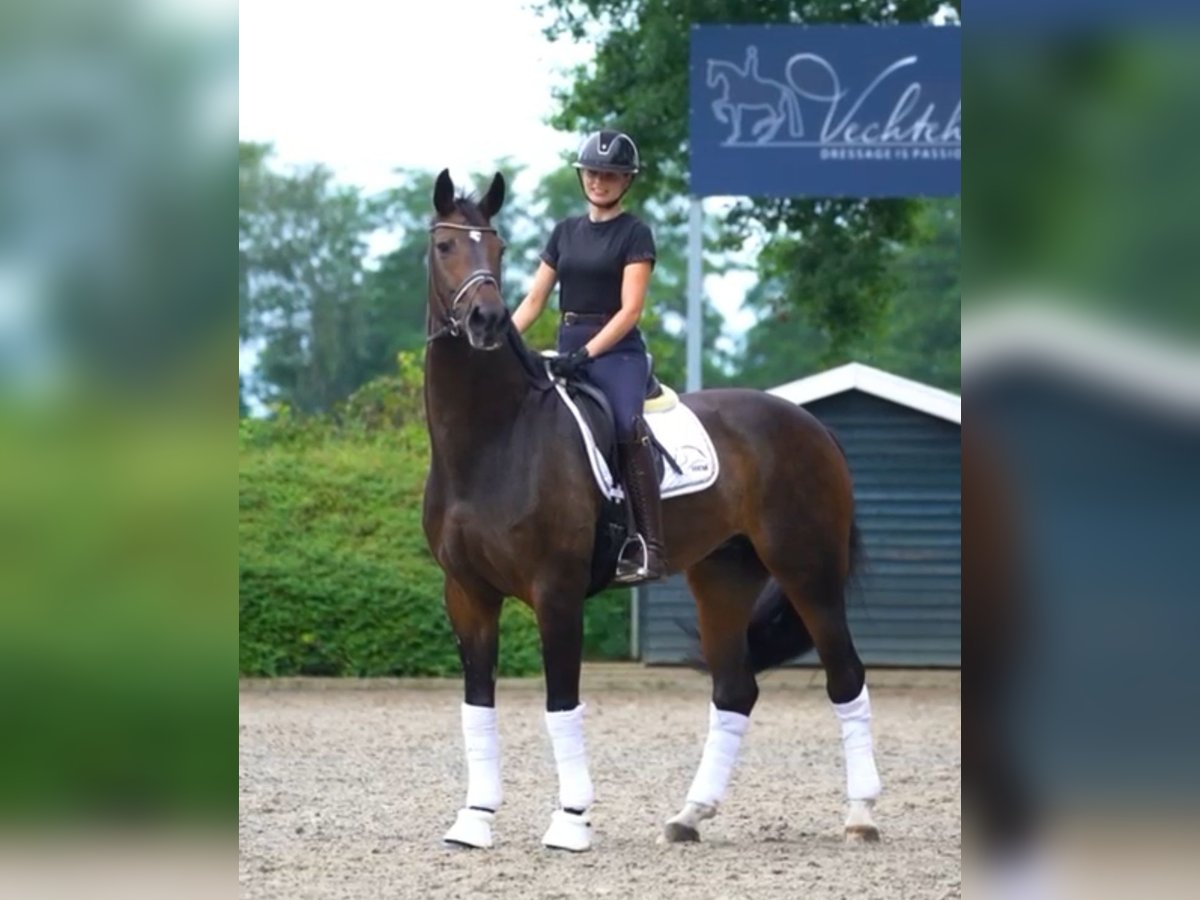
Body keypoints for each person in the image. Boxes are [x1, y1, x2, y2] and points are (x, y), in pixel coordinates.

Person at [511, 129, 665, 583]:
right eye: (592, 173)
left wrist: (586, 352)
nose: (599, 182)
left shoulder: (635, 233)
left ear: (626, 181)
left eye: (610, 175)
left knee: (623, 424)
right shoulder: (564, 232)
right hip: (566, 348)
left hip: (616, 352)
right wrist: (501, 338)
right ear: (582, 178)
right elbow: (535, 299)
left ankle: (650, 546)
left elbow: (630, 309)